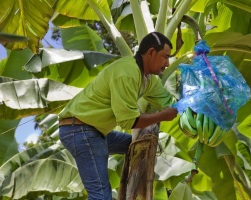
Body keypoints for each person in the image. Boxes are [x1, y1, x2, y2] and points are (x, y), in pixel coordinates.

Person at [58, 32, 178, 200]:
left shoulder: (148, 80)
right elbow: (128, 121)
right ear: (151, 52)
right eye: (165, 57)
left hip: (96, 132)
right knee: (100, 195)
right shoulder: (127, 72)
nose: (167, 63)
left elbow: (169, 101)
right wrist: (162, 116)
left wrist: (192, 104)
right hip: (79, 129)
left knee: (140, 145)